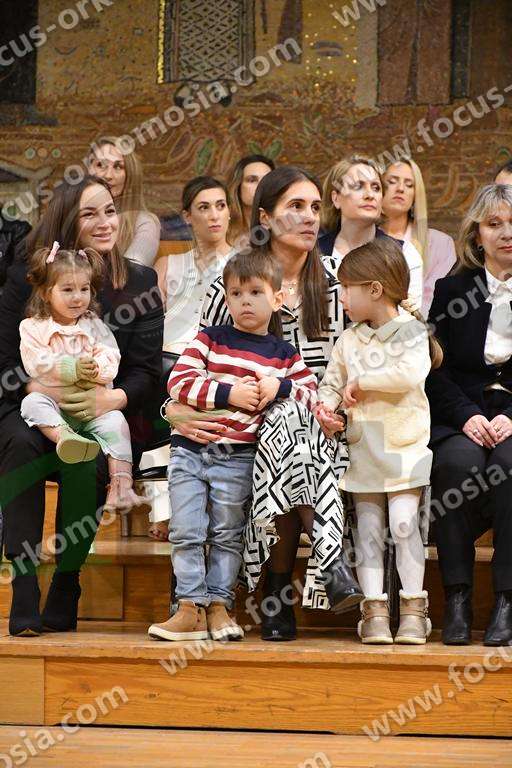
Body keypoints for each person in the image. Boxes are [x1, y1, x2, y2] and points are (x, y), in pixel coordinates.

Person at [166, 166, 363, 642]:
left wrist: (332, 407)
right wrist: (172, 412)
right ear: (265, 218)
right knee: (284, 424)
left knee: (291, 418)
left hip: (326, 424)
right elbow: (197, 363)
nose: (310, 217)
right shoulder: (234, 283)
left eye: (315, 207)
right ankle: (326, 561)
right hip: (241, 430)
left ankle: (277, 588)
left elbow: (357, 362)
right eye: (295, 207)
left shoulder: (338, 282)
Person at [0, 175, 162, 637]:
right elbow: (4, 361)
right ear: (67, 220)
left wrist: (110, 397)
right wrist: (38, 387)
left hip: (101, 404)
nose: (105, 222)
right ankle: (24, 585)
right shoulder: (26, 275)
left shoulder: (141, 282)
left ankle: (67, 582)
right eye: (91, 213)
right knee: (19, 443)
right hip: (32, 399)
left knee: (88, 461)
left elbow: (147, 372)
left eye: (110, 210)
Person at [149, 251, 318, 642]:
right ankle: (189, 607)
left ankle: (220, 606)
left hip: (239, 458)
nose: (245, 301)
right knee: (186, 530)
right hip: (191, 453)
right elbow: (179, 382)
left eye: (256, 292)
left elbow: (312, 395)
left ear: (277, 299)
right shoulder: (210, 339)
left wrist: (280, 387)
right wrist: (229, 394)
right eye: (236, 293)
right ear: (225, 299)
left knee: (227, 533)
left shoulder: (284, 355)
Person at [317, 239, 442, 644]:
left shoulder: (412, 332)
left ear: (374, 289)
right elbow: (331, 384)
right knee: (368, 531)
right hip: (363, 449)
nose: (342, 298)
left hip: (405, 448)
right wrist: (325, 408)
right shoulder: (348, 340)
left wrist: (363, 381)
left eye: (346, 289)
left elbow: (409, 374)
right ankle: (373, 610)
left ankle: (414, 609)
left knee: (404, 524)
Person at [427, 183, 512, 647]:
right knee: (456, 466)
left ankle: (506, 599)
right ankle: (457, 597)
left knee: (510, 468)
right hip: (463, 414)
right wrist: (465, 416)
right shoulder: (452, 289)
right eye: (494, 224)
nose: (506, 233)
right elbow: (434, 369)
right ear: (477, 235)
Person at [19, 244, 148, 512]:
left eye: (84, 289)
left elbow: (111, 356)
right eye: (67, 290)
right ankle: (66, 437)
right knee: (31, 403)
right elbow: (35, 362)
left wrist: (96, 369)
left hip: (93, 406)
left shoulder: (94, 325)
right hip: (56, 405)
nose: (77, 297)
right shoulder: (33, 327)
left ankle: (121, 486)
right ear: (45, 292)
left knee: (117, 423)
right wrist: (71, 369)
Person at [146, 176, 235, 541]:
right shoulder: (168, 264)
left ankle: (204, 508)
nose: (214, 215)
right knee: (160, 387)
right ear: (187, 216)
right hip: (169, 361)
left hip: (220, 362)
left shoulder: (243, 262)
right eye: (204, 207)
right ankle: (163, 509)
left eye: (220, 206)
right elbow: (151, 327)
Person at [319, 155, 423, 309]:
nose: (369, 195)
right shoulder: (313, 252)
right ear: (336, 198)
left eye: (376, 188)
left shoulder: (404, 253)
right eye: (358, 186)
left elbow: (409, 319)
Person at [381, 158, 456, 315]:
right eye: (392, 182)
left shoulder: (441, 244)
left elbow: (436, 299)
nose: (400, 188)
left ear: (416, 195)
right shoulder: (364, 239)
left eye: (409, 185)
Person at [87, 136, 160, 267]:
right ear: (88, 171)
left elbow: (134, 272)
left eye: (118, 166)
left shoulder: (145, 223)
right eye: (100, 165)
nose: (108, 175)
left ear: (130, 175)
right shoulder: (73, 217)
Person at [227, 155, 275, 244]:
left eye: (267, 180)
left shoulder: (285, 228)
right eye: (252, 180)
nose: (261, 185)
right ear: (238, 187)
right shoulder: (221, 230)